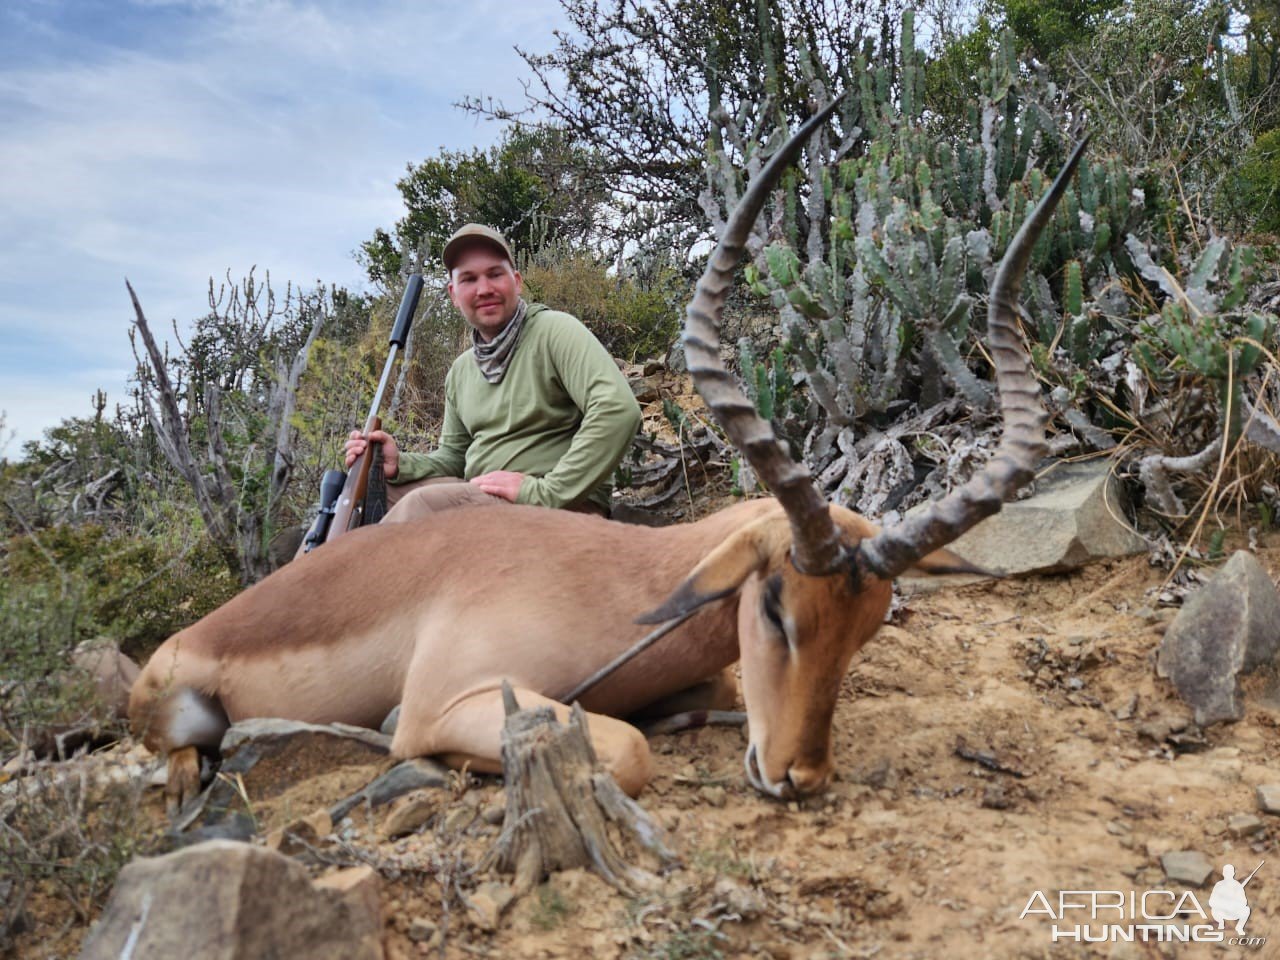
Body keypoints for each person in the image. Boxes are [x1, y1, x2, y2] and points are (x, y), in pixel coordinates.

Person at [345, 223, 642, 522]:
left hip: (558, 506)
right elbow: (454, 457)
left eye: (495, 274)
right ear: (453, 294)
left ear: (516, 281)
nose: (484, 289)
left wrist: (545, 491)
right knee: (365, 497)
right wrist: (400, 466)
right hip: (481, 496)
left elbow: (617, 409)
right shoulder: (461, 371)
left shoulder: (555, 331)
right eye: (469, 279)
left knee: (420, 506)